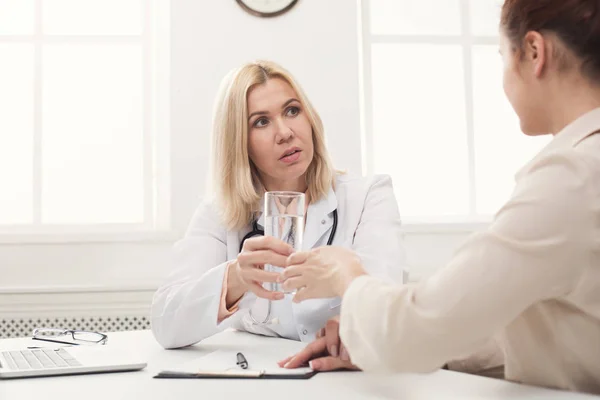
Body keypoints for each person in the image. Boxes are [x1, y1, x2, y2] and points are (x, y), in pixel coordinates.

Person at [279, 0, 600, 394]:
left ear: (534, 52)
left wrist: (346, 275)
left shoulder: (570, 180)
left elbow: (413, 329)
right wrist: (385, 343)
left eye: (502, 56)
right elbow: (562, 327)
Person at [151, 60, 406, 349]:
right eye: (261, 121)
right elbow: (165, 325)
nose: (284, 132)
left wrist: (351, 328)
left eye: (292, 111)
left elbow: (388, 309)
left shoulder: (368, 197)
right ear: (239, 142)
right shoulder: (220, 213)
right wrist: (234, 279)